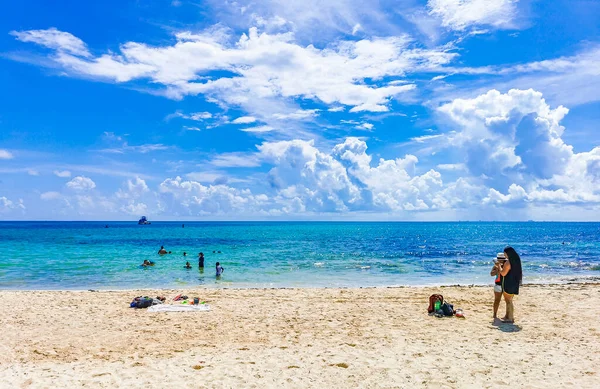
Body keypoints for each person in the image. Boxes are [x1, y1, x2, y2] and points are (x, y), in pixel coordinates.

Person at [498, 246, 523, 323]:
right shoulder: (516, 261)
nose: (504, 254)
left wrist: (499, 267)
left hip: (509, 283)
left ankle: (510, 318)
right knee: (509, 300)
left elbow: (503, 273)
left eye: (505, 253)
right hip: (514, 282)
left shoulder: (508, 262)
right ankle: (507, 316)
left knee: (508, 301)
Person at [490, 252, 507, 319]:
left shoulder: (507, 266)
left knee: (507, 301)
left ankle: (507, 315)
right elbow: (491, 274)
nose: (500, 260)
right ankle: (494, 314)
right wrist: (497, 268)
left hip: (505, 284)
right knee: (497, 300)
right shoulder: (496, 266)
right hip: (498, 284)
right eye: (499, 259)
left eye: (502, 259)